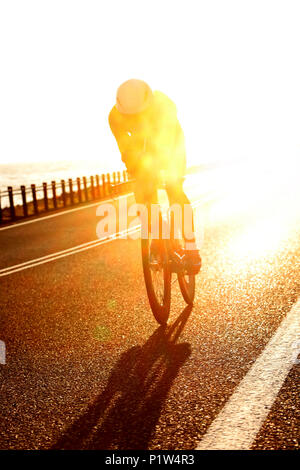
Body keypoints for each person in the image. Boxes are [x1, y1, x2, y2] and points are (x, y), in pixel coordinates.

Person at [108, 79, 201, 274]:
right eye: (130, 116)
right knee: (143, 195)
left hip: (172, 144)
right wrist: (137, 172)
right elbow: (125, 149)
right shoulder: (114, 116)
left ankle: (191, 249)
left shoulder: (164, 105)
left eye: (139, 113)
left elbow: (166, 142)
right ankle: (158, 239)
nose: (135, 118)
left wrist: (166, 169)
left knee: (174, 188)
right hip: (142, 149)